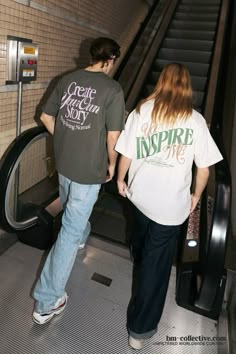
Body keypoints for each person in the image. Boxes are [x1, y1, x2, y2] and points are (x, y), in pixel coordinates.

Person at [115, 63, 223, 350]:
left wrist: (120, 179)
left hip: (140, 199)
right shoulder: (196, 121)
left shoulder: (143, 111)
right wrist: (196, 196)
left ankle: (139, 256)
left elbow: (127, 150)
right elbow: (204, 169)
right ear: (188, 87)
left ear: (161, 82)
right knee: (156, 267)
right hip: (170, 208)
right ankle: (139, 330)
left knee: (141, 244)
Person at [32, 37, 125, 325]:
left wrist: (63, 137)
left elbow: (46, 116)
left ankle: (80, 238)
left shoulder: (68, 79)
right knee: (69, 230)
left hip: (65, 164)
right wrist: (112, 163)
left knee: (73, 213)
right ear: (110, 60)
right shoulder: (112, 89)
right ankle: (47, 301)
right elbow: (113, 136)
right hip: (88, 171)